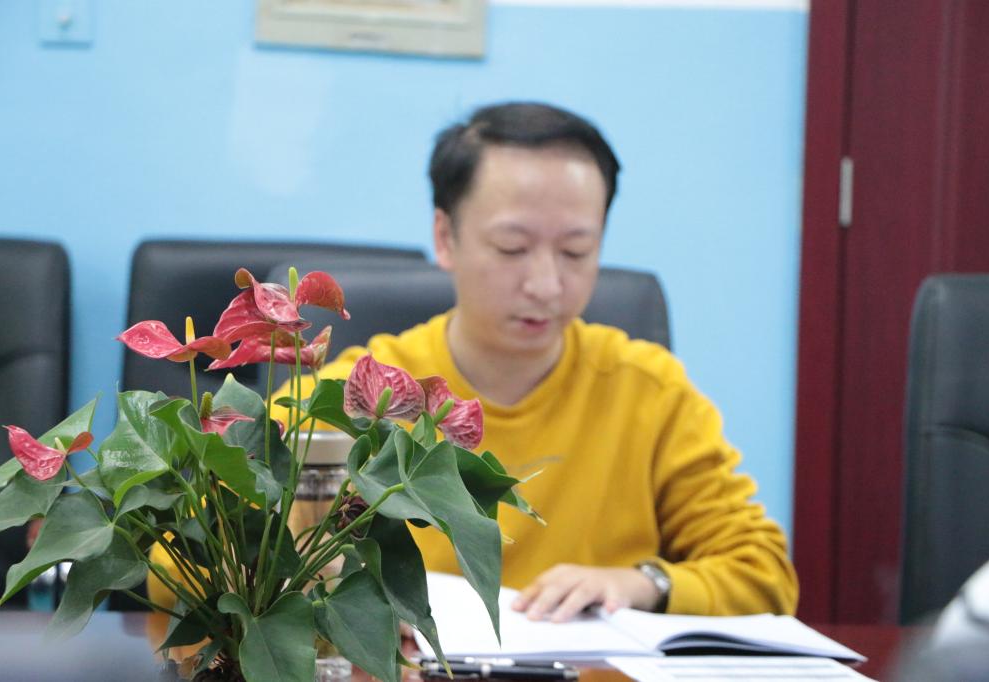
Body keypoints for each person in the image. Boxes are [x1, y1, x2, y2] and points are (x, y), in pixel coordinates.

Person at [299, 101, 798, 620]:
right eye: (512, 248)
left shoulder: (649, 390)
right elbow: (242, 540)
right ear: (446, 237)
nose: (545, 285)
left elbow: (763, 575)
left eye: (575, 252)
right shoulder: (363, 395)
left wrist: (642, 583)